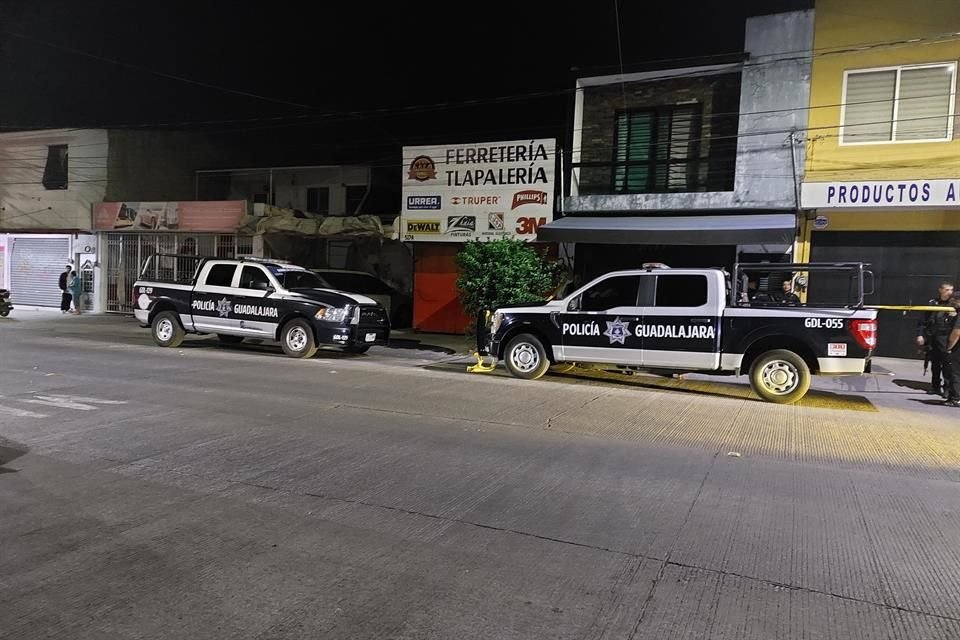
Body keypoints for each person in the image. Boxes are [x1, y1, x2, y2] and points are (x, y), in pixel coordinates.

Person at [916, 281, 955, 396]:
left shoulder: (954, 304)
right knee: (935, 364)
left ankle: (948, 388)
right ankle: (935, 386)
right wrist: (920, 334)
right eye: (947, 290)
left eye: (951, 290)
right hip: (933, 337)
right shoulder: (933, 303)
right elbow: (923, 321)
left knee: (947, 364)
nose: (949, 292)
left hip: (946, 338)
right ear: (941, 290)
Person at [942, 296, 960, 407]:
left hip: (958, 349)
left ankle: (955, 398)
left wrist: (949, 348)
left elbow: (956, 333)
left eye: (954, 301)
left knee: (955, 373)